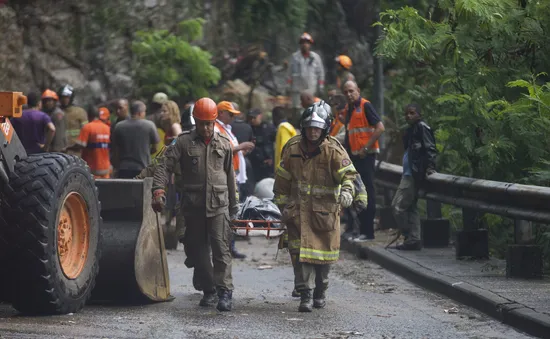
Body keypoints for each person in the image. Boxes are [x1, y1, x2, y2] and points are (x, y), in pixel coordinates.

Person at [152, 97, 238, 312]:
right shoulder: (182, 142)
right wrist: (159, 190)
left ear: (215, 122)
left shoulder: (224, 144)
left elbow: (230, 178)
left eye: (210, 123)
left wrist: (234, 209)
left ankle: (225, 292)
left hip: (219, 206)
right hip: (193, 207)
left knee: (221, 249)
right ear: (195, 122)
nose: (206, 128)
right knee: (197, 251)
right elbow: (164, 166)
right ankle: (209, 290)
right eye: (202, 123)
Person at [273, 101, 358, 312]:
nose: (313, 132)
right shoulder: (292, 149)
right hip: (297, 214)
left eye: (317, 128)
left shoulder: (333, 151)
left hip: (324, 215)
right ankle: (305, 295)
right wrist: (283, 207)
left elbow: (349, 175)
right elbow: (282, 182)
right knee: (301, 257)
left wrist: (347, 192)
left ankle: (320, 290)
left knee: (323, 259)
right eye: (310, 127)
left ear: (325, 129)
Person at [341, 81, 385, 242]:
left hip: (366, 157)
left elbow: (380, 127)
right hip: (355, 158)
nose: (348, 94)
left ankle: (368, 232)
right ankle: (359, 230)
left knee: (367, 193)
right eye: (345, 92)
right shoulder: (350, 110)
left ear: (358, 90)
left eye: (351, 91)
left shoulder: (366, 106)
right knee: (358, 193)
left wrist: (365, 148)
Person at [392, 104, 437, 250]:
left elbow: (430, 148)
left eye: (412, 113)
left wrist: (430, 167)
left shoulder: (422, 127)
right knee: (411, 208)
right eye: (406, 114)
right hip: (408, 172)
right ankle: (413, 240)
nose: (408, 116)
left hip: (413, 174)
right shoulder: (410, 130)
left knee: (398, 206)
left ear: (419, 114)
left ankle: (409, 236)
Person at [215, 101, 254, 259]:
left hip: (232, 174)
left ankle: (229, 247)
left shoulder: (226, 129)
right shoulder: (216, 129)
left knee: (232, 212)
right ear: (221, 113)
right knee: (228, 212)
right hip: (225, 177)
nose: (232, 118)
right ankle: (224, 248)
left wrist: (239, 152)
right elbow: (219, 149)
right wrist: (240, 147)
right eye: (230, 114)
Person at [112, 100, 160, 178]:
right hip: (143, 167)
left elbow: (115, 150)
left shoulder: (119, 126)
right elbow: (155, 148)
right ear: (140, 113)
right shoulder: (149, 125)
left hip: (123, 168)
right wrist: (145, 152)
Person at [67, 107, 112, 179]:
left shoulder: (88, 127)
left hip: (92, 171)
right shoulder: (107, 128)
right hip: (105, 170)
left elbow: (81, 145)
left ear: (88, 116)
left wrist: (68, 148)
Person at [288, 33, 325, 119]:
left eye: (307, 42)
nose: (305, 44)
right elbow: (289, 74)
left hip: (310, 90)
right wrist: (288, 86)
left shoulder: (316, 58)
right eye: (303, 42)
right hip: (297, 91)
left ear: (310, 45)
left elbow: (321, 73)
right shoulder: (294, 57)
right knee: (296, 112)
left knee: (311, 111)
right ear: (300, 44)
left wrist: (321, 86)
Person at [58, 84, 88, 157]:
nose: (64, 99)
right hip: (58, 151)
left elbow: (86, 131)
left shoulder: (80, 112)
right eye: (62, 97)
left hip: (75, 151)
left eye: (67, 97)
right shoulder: (56, 113)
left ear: (71, 98)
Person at [247, 109, 276, 182]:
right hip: (254, 162)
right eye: (250, 118)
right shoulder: (249, 128)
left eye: (254, 118)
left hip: (267, 162)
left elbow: (274, 144)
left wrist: (271, 158)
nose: (252, 120)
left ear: (260, 116)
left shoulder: (269, 128)